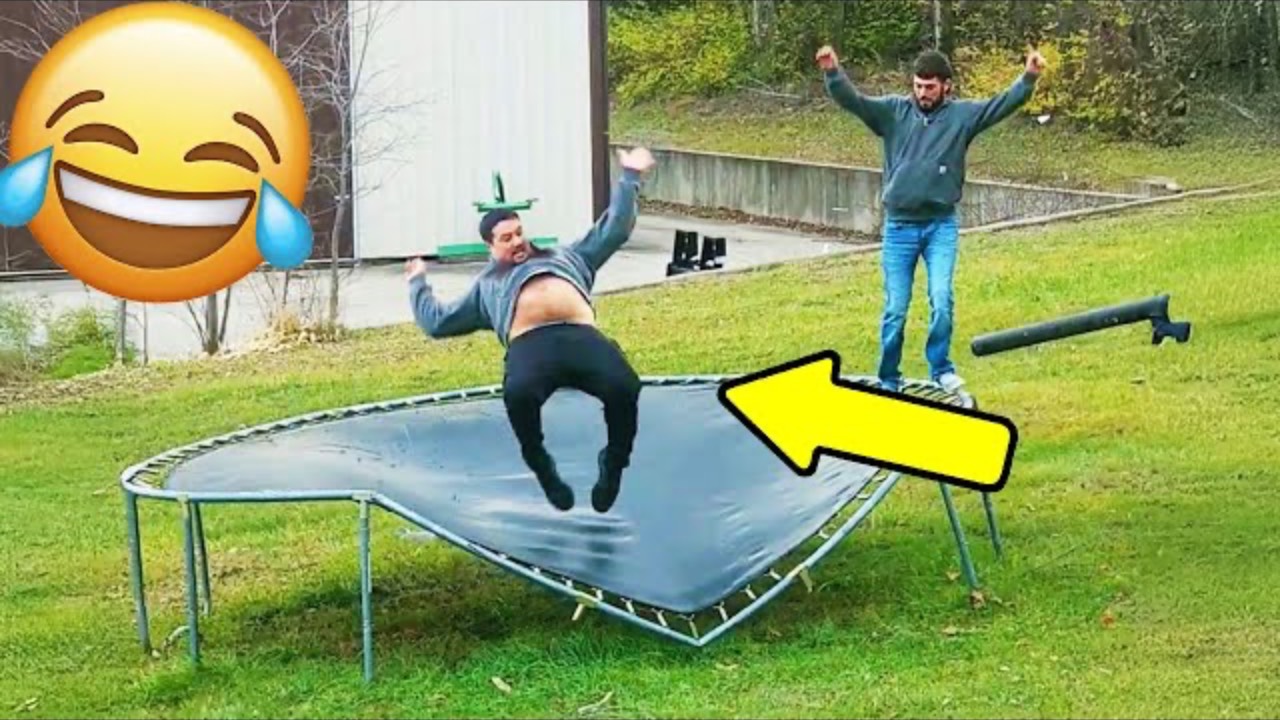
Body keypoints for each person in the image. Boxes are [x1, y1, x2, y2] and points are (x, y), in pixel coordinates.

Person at [404, 147, 656, 513]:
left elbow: (615, 228)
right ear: (490, 246)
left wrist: (630, 176)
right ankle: (541, 464)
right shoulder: (487, 286)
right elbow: (436, 323)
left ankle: (614, 463)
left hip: (581, 336)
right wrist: (417, 283)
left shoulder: (568, 256)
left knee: (625, 386)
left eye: (519, 233)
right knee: (519, 394)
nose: (517, 241)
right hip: (530, 346)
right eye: (506, 238)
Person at [816, 45, 1045, 393]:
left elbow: (1000, 105)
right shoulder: (893, 112)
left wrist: (1029, 76)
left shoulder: (961, 117)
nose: (922, 93)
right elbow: (855, 101)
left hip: (940, 225)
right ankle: (889, 378)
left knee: (941, 300)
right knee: (895, 310)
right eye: (918, 86)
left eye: (930, 87)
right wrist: (833, 73)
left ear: (946, 86)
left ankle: (941, 368)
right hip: (899, 227)